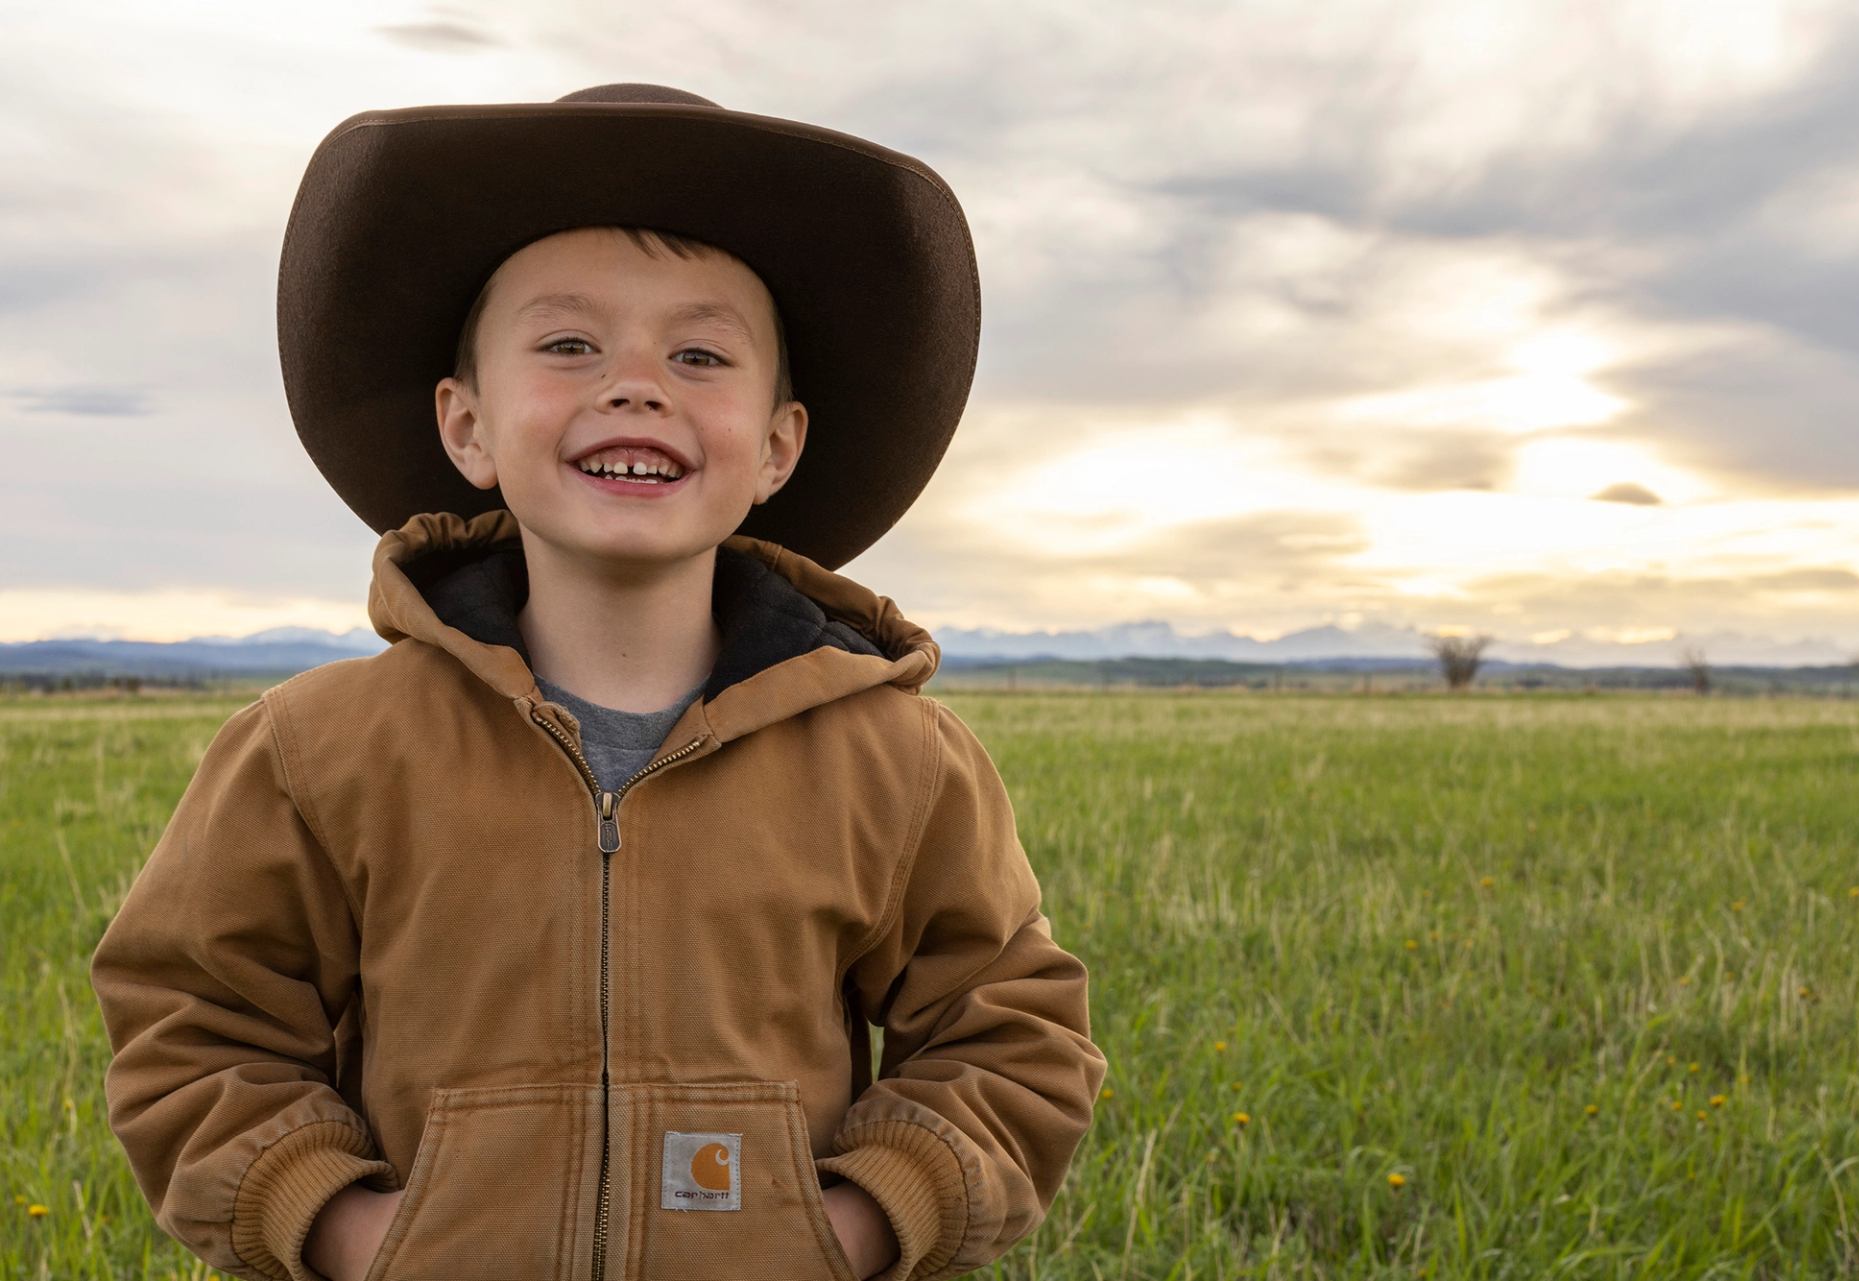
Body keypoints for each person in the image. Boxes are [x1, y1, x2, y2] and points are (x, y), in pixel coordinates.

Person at [90, 84, 1107, 1281]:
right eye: (569, 344)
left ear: (777, 445)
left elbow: (1012, 1036)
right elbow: (192, 1027)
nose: (636, 384)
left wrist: (852, 1228)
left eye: (699, 353)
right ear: (467, 425)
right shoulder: (317, 750)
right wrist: (356, 1237)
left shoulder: (898, 764)